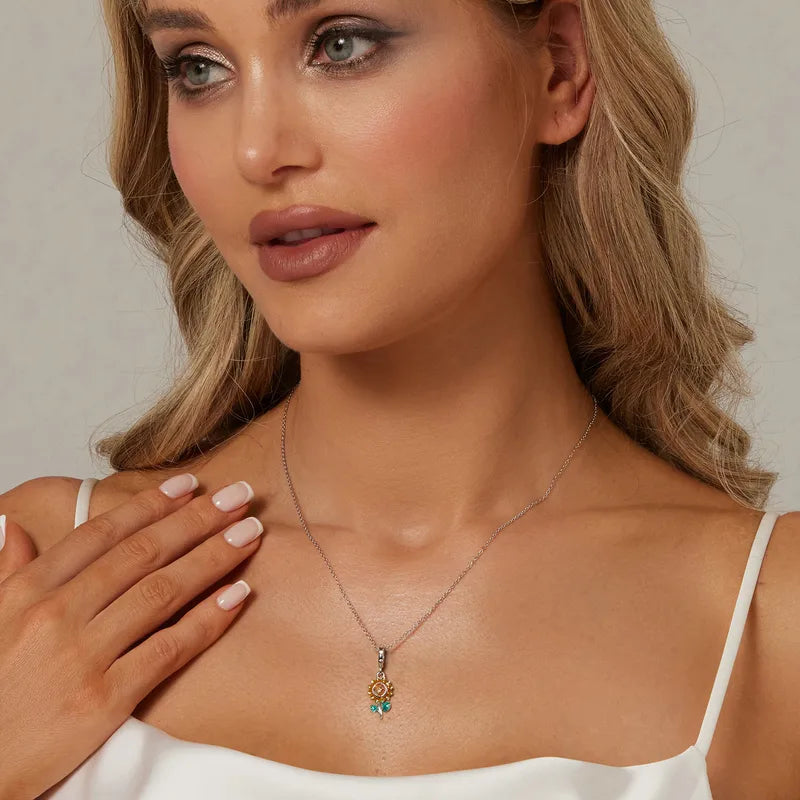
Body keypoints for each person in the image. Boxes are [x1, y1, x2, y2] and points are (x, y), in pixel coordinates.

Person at [0, 0, 797, 797]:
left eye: (341, 45)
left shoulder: (770, 622)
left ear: (559, 68)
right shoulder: (41, 574)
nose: (256, 151)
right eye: (198, 68)